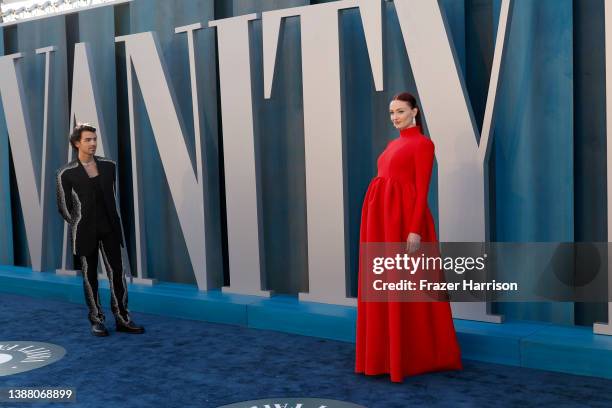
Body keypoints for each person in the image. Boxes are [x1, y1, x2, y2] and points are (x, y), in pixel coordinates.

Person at [355, 92, 462, 382]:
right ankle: (386, 355)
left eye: (400, 111)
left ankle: (414, 355)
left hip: (403, 222)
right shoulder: (394, 144)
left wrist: (414, 229)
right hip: (382, 222)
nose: (394, 117)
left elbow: (422, 188)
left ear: (415, 111)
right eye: (391, 113)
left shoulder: (424, 144)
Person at [56, 123, 144, 337]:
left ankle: (123, 318)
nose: (93, 143)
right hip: (85, 231)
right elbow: (64, 207)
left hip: (110, 228)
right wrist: (79, 222)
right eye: (88, 140)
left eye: (94, 139)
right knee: (90, 277)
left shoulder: (109, 166)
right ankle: (97, 320)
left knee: (117, 274)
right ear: (77, 143)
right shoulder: (65, 173)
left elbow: (112, 196)